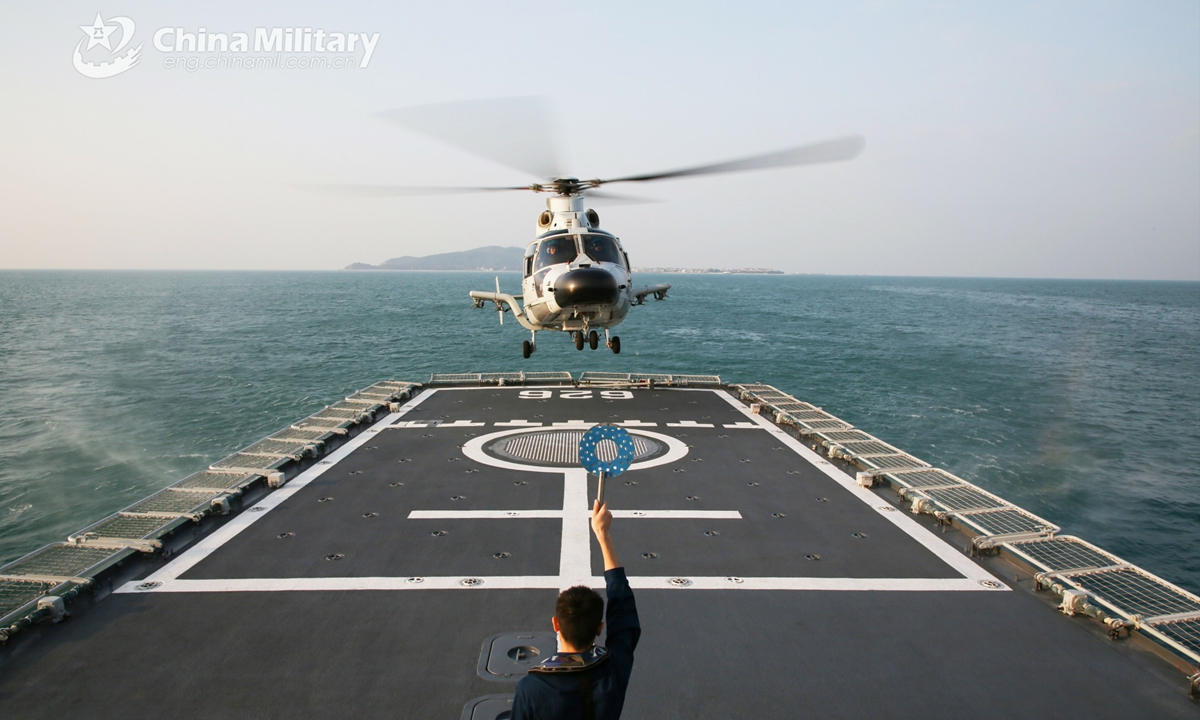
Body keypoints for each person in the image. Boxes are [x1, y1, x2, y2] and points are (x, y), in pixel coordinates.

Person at [511, 500, 640, 720]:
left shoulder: (530, 688)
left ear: (556, 624)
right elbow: (623, 609)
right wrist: (603, 535)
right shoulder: (613, 671)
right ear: (600, 628)